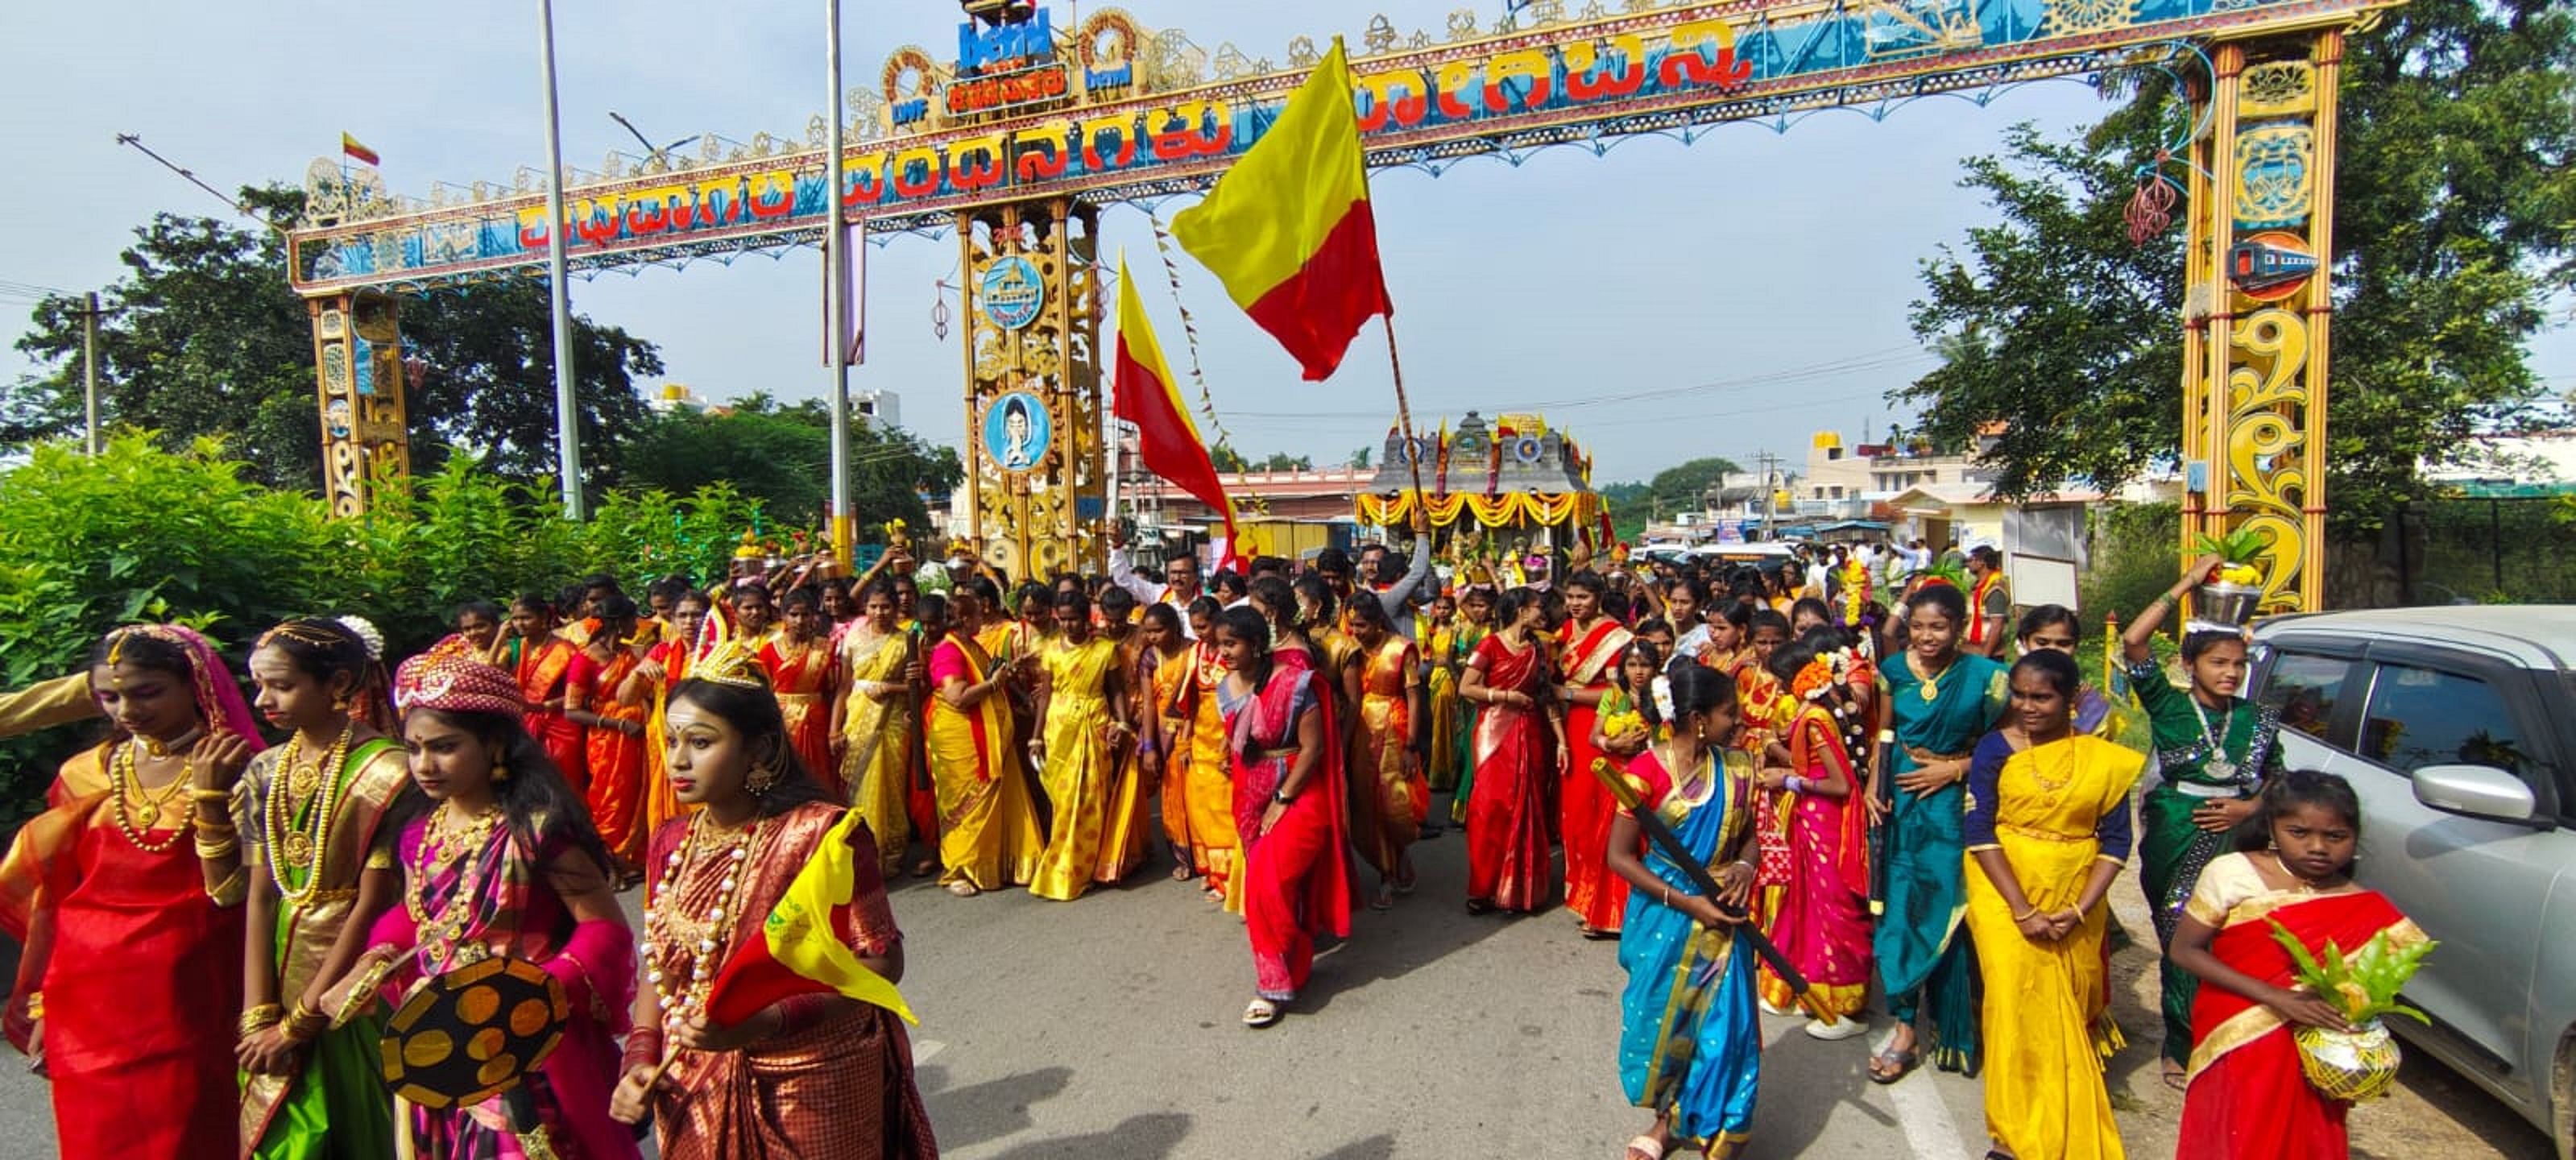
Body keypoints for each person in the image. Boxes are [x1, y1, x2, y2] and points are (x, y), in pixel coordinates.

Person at [607, 647, 938, 1158]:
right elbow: (663, 963)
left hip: (810, 1075)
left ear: (758, 749)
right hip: (695, 1068)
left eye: (700, 742)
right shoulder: (671, 841)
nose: (677, 759)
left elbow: (880, 964)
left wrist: (760, 1024)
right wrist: (641, 1057)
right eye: (671, 740)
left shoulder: (823, 834)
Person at [360, 653, 640, 1159]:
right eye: (415, 748)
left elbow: (604, 929)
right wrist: (376, 956)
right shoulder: (419, 831)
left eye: (444, 748)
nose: (425, 765)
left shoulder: (536, 829)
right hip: (440, 1039)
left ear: (493, 746)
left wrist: (536, 992)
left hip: (522, 1043)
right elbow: (414, 917)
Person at [0, 624, 260, 1159]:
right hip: (88, 996)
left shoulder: (242, 769)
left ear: (196, 687)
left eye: (147, 692)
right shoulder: (86, 773)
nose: (127, 710)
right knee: (96, 1139)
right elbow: (54, 899)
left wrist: (211, 796)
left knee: (189, 1133)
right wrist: (45, 1006)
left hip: (192, 993)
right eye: (110, 697)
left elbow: (246, 893)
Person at [2170, 770, 2425, 1159]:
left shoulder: (2361, 905)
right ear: (2272, 827)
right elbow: (2186, 951)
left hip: (2313, 1047)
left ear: (2354, 838)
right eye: (2299, 833)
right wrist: (2276, 998)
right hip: (2237, 1033)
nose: (2318, 847)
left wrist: (2360, 1056)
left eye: (2335, 837)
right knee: (2237, 1134)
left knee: (2302, 1138)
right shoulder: (2235, 874)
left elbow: (2364, 994)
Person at [236, 618, 417, 1159]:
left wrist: (302, 1021)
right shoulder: (265, 770)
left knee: (359, 1118)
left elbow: (374, 900)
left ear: (337, 684)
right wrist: (258, 1012)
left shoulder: (389, 771)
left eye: (282, 685)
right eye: (258, 685)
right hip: (280, 961)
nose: (264, 700)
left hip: (357, 973)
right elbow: (261, 893)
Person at [1960, 650, 2142, 1160]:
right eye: (2019, 696)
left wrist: (2080, 909)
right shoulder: (1996, 748)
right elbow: (1978, 828)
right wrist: (2022, 909)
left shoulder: (2100, 759)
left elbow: (2116, 842)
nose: (2028, 707)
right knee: (2014, 1002)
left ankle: (2061, 1109)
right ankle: (2012, 1134)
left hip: (2076, 891)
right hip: (2003, 888)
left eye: (2042, 697)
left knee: (2071, 1002)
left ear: (2071, 699)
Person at [2123, 552, 2284, 1086]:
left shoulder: (2257, 719)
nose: (2230, 673)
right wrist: (2189, 581)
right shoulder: (2168, 705)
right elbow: (2133, 641)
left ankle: (2229, 1036)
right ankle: (2181, 1040)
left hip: (2238, 837)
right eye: (2218, 663)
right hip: (2175, 832)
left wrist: (2251, 807)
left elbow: (2280, 783)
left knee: (2232, 940)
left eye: (2238, 665)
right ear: (2191, 665)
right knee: (2179, 937)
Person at [1605, 663, 1760, 1160]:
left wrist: (1743, 865)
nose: (1738, 721)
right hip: (1667, 914)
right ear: (1697, 719)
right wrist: (1687, 902)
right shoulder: (1645, 773)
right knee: (1667, 1025)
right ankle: (1666, 1120)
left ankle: (1719, 1128)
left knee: (1726, 1028)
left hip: (1725, 913)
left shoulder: (1737, 765)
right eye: (1728, 713)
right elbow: (1619, 857)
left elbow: (1751, 836)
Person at [1869, 585, 2007, 1082]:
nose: (1927, 637)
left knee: (1945, 909)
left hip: (1952, 806)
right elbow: (1884, 734)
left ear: (1960, 625)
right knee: (1896, 910)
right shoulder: (1893, 672)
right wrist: (1872, 786)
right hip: (1898, 808)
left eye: (1939, 627)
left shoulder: (1988, 679)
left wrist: (1954, 770)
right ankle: (1905, 1026)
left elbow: (2011, 744)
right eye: (1919, 627)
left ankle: (1952, 1025)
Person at [1214, 607, 1354, 1028]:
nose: (1223, 653)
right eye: (1220, 644)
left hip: (1298, 793)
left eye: (1231, 644)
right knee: (1273, 889)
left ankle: (1270, 986)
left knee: (1264, 885)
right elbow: (1236, 739)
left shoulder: (1296, 685)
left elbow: (1312, 749)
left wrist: (1283, 797)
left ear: (1257, 644)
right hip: (1247, 797)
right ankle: (1294, 961)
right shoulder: (1226, 686)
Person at [1751, 641, 1874, 1039]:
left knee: (1831, 910)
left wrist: (1785, 779)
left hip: (1826, 822)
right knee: (1800, 903)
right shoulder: (1810, 713)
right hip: (1809, 818)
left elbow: (1840, 784)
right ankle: (1797, 988)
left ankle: (1842, 1007)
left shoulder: (1817, 719)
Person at [924, 579, 1044, 896]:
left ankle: (1000, 862)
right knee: (967, 806)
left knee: (994, 802)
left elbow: (989, 677)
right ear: (966, 620)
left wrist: (1009, 671)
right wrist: (994, 684)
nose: (983, 620)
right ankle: (960, 868)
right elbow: (957, 696)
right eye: (978, 615)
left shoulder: (972, 645)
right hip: (962, 740)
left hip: (988, 736)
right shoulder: (948, 650)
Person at [1028, 590, 1146, 900]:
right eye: (1063, 620)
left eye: (1074, 620)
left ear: (1086, 619)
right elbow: (1045, 695)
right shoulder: (1050, 650)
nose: (1068, 626)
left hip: (1093, 724)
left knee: (1090, 799)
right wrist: (1036, 736)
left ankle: (1077, 867)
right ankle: (1067, 861)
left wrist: (1121, 723)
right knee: (1063, 801)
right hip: (1058, 727)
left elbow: (1116, 690)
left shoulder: (1106, 650)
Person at [1457, 587, 1563, 915]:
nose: (1542, 612)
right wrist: (1505, 697)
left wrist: (1562, 739)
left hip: (1531, 732)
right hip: (1493, 732)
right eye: (1535, 607)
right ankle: (1483, 887)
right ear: (1519, 610)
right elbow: (1466, 687)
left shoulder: (1540, 647)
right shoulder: (1490, 645)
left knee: (1527, 806)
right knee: (1489, 807)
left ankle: (1520, 890)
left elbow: (1546, 696)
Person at [1557, 570, 1635, 938]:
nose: (1575, 604)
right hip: (1567, 728)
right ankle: (1580, 893)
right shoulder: (1564, 632)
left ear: (1599, 598)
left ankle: (1605, 905)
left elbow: (1619, 691)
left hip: (1600, 725)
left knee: (1597, 813)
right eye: (1571, 597)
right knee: (1573, 814)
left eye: (1582, 598)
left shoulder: (1616, 638)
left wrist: (1568, 695)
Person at [1158, 597, 1241, 906]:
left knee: (1224, 809)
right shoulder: (1197, 652)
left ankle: (1233, 876)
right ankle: (1213, 872)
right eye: (1195, 628)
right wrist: (1183, 738)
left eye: (1204, 626)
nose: (1200, 633)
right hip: (1201, 738)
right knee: (1201, 807)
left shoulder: (1232, 653)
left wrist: (1232, 739)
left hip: (1226, 735)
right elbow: (1187, 697)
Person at [835, 580, 920, 879]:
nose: (880, 612)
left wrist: (889, 687)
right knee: (856, 784)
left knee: (890, 786)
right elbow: (844, 686)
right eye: (874, 606)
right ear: (865, 608)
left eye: (886, 606)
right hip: (858, 716)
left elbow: (918, 687)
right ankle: (862, 853)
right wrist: (835, 729)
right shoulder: (854, 639)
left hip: (892, 719)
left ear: (896, 609)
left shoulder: (907, 640)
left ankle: (890, 853)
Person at [1344, 593, 1425, 909]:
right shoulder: (1351, 651)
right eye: (1352, 625)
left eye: (1362, 625)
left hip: (1394, 731)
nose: (1356, 632)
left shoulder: (1401, 649)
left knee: (1394, 806)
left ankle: (1400, 854)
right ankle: (1386, 873)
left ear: (1378, 621)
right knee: (1367, 805)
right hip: (1361, 734)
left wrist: (1411, 746)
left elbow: (1414, 698)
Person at [567, 594, 651, 876]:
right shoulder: (585, 660)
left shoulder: (630, 653)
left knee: (637, 796)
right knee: (608, 801)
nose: (636, 626)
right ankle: (610, 861)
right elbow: (571, 711)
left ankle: (633, 858)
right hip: (607, 741)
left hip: (638, 736)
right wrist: (618, 725)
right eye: (631, 620)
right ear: (617, 623)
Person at [620, 590, 711, 844]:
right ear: (673, 620)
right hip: (666, 748)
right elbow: (625, 699)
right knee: (668, 825)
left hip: (709, 749)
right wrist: (637, 674)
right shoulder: (662, 653)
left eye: (697, 615)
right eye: (682, 616)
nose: (690, 622)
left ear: (710, 618)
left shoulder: (723, 654)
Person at [501, 593, 590, 793]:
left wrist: (542, 706)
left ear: (543, 619)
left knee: (562, 781)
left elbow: (580, 694)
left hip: (560, 726)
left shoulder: (565, 650)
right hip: (527, 720)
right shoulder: (520, 647)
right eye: (515, 619)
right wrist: (500, 637)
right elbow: (493, 671)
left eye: (526, 618)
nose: (520, 624)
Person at [762, 587, 844, 803]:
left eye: (805, 614)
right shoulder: (769, 650)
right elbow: (765, 692)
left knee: (818, 772)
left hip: (817, 719)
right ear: (784, 617)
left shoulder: (825, 648)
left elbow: (833, 690)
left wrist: (835, 729)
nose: (800, 620)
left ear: (813, 617)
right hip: (782, 720)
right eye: (794, 614)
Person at [2015, 605, 2125, 739]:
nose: (2053, 650)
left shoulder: (2092, 707)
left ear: (2076, 645)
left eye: (2063, 644)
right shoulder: (2002, 694)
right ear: (2024, 642)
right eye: (2042, 643)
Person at [1964, 546, 2011, 659]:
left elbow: (1997, 626)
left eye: (1970, 560)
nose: (1967, 564)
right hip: (1972, 651)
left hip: (1990, 654)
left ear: (1981, 563)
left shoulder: (1995, 588)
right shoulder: (1977, 586)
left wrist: (1985, 657)